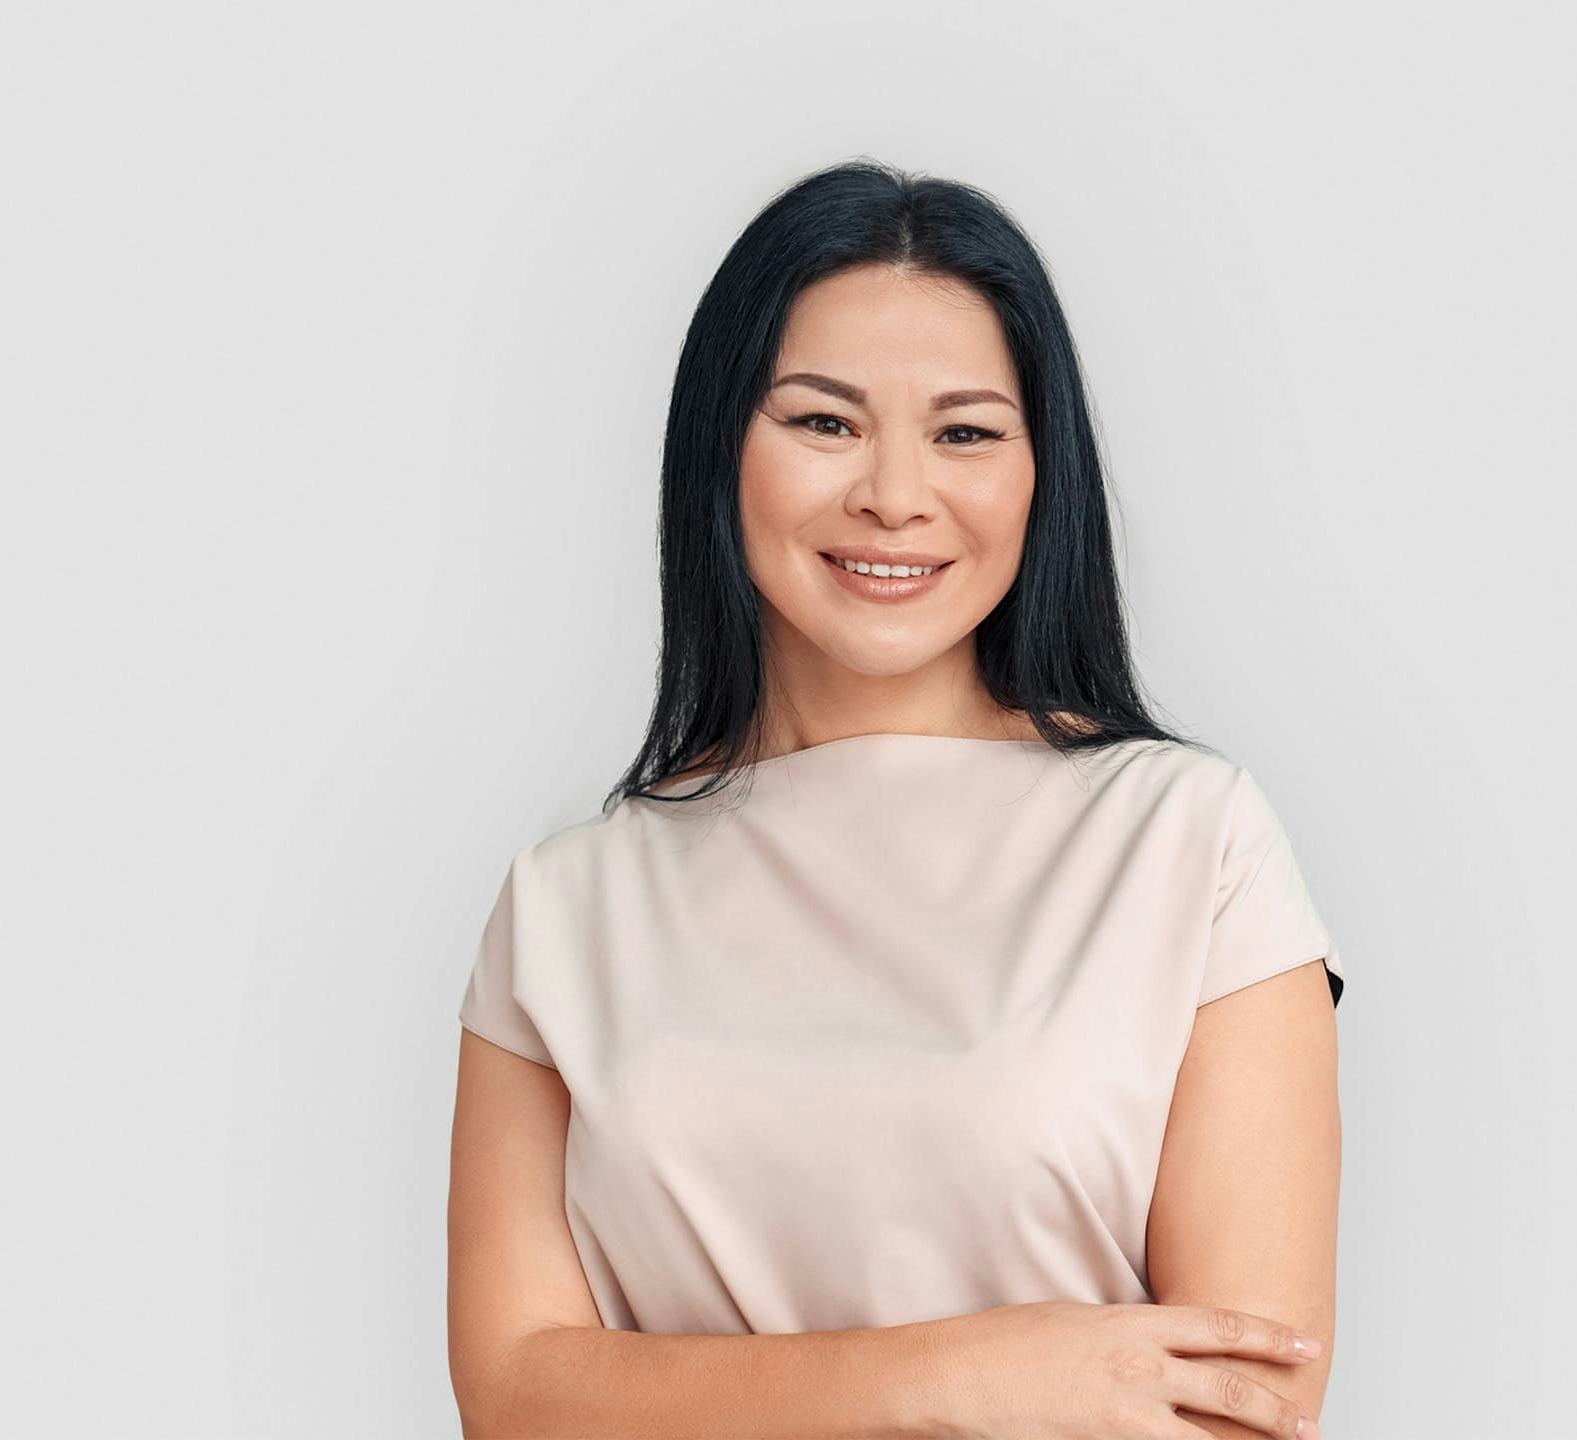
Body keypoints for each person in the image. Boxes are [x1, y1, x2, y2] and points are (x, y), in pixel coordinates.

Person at [447, 158, 1346, 1440]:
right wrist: (970, 1378)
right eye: (824, 421)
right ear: (721, 446)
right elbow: (518, 1396)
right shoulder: (563, 907)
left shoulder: (1193, 848)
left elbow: (1246, 1403)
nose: (895, 494)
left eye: (967, 432)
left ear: (1046, 476)